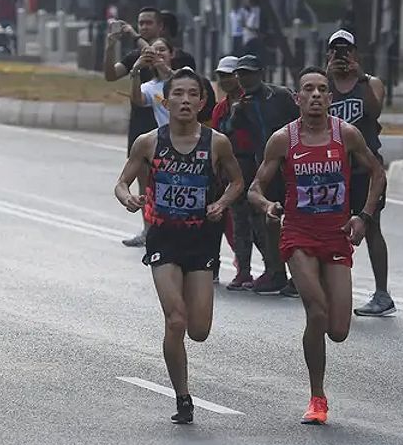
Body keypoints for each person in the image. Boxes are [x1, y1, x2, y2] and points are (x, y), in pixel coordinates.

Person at [248, 66, 386, 424]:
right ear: (297, 98)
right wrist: (268, 206)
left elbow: (377, 172)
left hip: (336, 234)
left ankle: (319, 365)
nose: (315, 95)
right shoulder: (283, 139)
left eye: (322, 90)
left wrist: (364, 216)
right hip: (298, 234)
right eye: (307, 89)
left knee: (338, 331)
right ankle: (317, 397)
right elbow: (254, 189)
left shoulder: (347, 135)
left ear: (330, 98)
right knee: (318, 312)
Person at [114, 68, 244, 424]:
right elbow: (122, 182)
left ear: (202, 102)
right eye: (178, 94)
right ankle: (182, 397)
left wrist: (222, 203)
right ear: (165, 100)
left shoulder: (216, 143)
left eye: (192, 95)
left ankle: (189, 328)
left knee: (198, 330)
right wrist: (129, 198)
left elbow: (237, 182)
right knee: (175, 320)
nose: (185, 100)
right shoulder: (149, 142)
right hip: (164, 239)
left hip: (201, 241)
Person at [103, 7, 197, 246]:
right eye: (140, 24)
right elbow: (111, 76)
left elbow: (182, 79)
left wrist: (136, 36)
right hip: (145, 127)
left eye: (148, 23)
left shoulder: (180, 59)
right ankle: (150, 229)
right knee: (145, 181)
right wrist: (111, 45)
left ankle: (186, 230)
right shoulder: (141, 64)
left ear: (160, 27)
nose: (144, 27)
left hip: (183, 133)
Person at [324, 29, 393, 317]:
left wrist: (361, 77)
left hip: (365, 166)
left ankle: (381, 293)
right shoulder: (323, 85)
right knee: (332, 228)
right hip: (332, 168)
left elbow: (374, 112)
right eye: (335, 50)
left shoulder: (370, 83)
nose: (342, 56)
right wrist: (327, 76)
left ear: (355, 53)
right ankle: (332, 289)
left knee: (372, 226)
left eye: (346, 50)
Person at [229, 54, 300, 296]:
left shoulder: (280, 95)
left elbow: (301, 120)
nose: (244, 78)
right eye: (240, 74)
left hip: (292, 164)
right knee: (268, 217)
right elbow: (232, 132)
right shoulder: (242, 104)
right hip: (265, 165)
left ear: (261, 73)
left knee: (295, 218)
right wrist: (237, 111)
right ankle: (275, 271)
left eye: (248, 73)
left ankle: (300, 274)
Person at [211, 55, 268, 290]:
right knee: (240, 222)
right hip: (233, 169)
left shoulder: (255, 101)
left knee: (261, 222)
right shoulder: (221, 109)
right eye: (221, 76)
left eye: (230, 75)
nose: (226, 80)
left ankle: (274, 268)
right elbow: (217, 138)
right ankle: (243, 271)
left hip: (257, 166)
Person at [131, 38, 176, 127]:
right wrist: (135, 70)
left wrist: (167, 70)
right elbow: (137, 100)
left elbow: (188, 80)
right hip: (166, 136)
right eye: (154, 51)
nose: (158, 53)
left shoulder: (185, 72)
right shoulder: (149, 87)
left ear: (171, 54)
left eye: (162, 50)